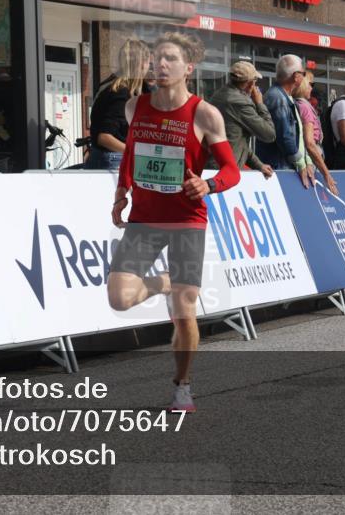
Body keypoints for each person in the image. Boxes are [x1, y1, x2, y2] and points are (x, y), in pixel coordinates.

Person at [108, 31, 240, 413]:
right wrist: (121, 193)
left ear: (188, 68)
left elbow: (233, 170)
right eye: (156, 58)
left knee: (184, 312)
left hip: (186, 219)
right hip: (145, 218)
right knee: (119, 298)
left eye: (169, 59)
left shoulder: (204, 113)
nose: (160, 65)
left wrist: (209, 183)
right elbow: (131, 154)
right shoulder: (135, 107)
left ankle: (182, 387)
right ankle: (166, 282)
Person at [85, 39, 151, 171]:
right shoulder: (121, 93)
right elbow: (104, 137)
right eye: (149, 62)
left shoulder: (112, 84)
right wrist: (134, 152)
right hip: (114, 159)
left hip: (106, 157)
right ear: (142, 64)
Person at [207, 60, 276, 177]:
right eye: (255, 82)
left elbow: (236, 141)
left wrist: (259, 165)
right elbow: (269, 135)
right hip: (223, 171)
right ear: (250, 84)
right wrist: (259, 104)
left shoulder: (219, 95)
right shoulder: (240, 103)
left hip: (215, 166)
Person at [257, 55, 316, 187]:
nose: (304, 77)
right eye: (303, 73)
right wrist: (301, 164)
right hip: (279, 168)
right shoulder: (278, 98)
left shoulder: (284, 97)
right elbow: (285, 136)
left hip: (283, 166)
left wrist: (306, 160)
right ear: (296, 76)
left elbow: (296, 136)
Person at [295, 69, 338, 195]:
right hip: (311, 155)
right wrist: (326, 174)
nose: (312, 89)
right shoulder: (305, 107)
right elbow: (309, 142)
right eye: (311, 84)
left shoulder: (297, 104)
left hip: (307, 155)